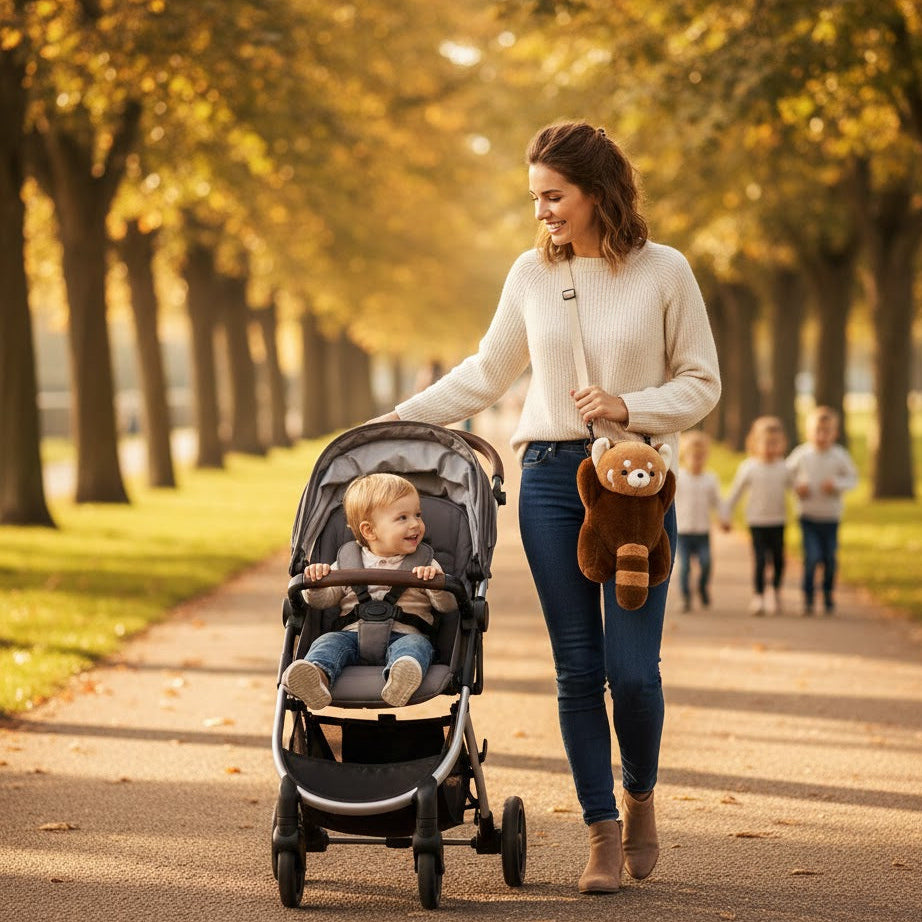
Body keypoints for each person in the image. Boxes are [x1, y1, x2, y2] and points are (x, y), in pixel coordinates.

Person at [369, 121, 721, 894]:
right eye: (536, 198)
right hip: (552, 481)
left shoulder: (666, 271)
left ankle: (639, 793)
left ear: (597, 192)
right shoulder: (531, 274)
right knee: (577, 669)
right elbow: (485, 372)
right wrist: (395, 420)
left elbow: (702, 382)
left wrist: (629, 404)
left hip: (635, 486)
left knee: (633, 674)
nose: (542, 212)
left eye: (554, 196)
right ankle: (601, 831)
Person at [280, 473, 457, 709]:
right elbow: (323, 601)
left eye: (418, 515)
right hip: (351, 637)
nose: (415, 524)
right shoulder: (347, 561)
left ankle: (401, 678)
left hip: (405, 635)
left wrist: (434, 584)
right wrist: (316, 584)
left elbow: (447, 605)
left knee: (416, 647)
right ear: (369, 531)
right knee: (327, 642)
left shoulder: (426, 563)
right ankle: (317, 678)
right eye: (402, 518)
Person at [786, 406, 858, 615]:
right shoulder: (802, 454)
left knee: (829, 559)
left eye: (827, 431)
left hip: (831, 518)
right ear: (808, 432)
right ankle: (808, 597)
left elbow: (853, 479)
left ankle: (827, 594)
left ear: (835, 433)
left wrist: (836, 484)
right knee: (811, 557)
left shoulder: (839, 455)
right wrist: (797, 487)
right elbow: (786, 475)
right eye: (817, 430)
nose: (821, 436)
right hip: (807, 516)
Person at [720, 416, 792, 616]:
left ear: (782, 444)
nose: (770, 448)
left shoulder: (784, 467)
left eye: (775, 443)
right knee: (760, 560)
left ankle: (775, 591)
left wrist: (804, 500)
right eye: (766, 443)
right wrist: (726, 514)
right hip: (756, 521)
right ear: (755, 443)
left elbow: (795, 489)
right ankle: (759, 596)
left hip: (778, 521)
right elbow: (735, 492)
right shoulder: (749, 467)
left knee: (778, 560)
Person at [675, 430, 722, 613]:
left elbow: (718, 501)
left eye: (700, 456)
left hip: (702, 532)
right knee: (684, 566)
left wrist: (724, 517)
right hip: (683, 532)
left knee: (706, 562)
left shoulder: (710, 479)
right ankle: (685, 597)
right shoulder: (679, 478)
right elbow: (669, 501)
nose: (697, 460)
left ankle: (702, 588)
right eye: (693, 456)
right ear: (685, 456)